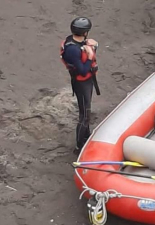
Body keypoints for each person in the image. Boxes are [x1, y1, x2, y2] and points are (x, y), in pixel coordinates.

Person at [60, 17, 99, 154]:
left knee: (87, 110)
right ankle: (79, 146)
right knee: (84, 115)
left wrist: (93, 47)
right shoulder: (73, 50)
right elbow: (82, 71)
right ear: (85, 32)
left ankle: (86, 136)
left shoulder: (74, 40)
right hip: (81, 83)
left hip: (87, 82)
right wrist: (89, 56)